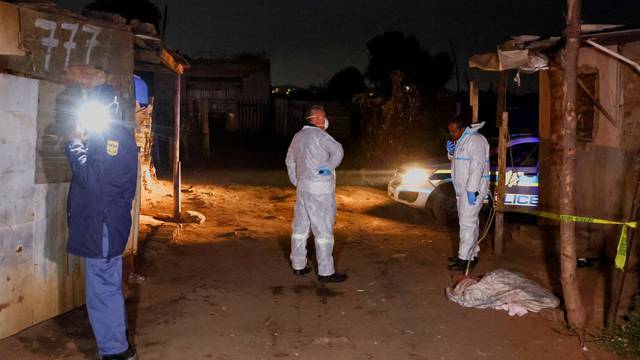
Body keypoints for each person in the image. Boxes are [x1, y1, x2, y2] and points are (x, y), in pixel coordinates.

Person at [66, 84, 139, 360]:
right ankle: (118, 348)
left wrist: (74, 143)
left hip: (103, 227)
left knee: (103, 291)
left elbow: (91, 179)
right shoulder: (113, 136)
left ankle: (115, 352)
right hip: (105, 225)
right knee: (105, 288)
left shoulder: (111, 138)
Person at [285, 105, 347, 283]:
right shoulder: (321, 136)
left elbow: (289, 161)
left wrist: (297, 181)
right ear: (317, 118)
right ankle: (326, 272)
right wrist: (326, 168)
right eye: (323, 116)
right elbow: (338, 151)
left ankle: (298, 265)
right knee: (323, 230)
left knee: (300, 228)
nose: (325, 119)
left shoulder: (298, 137)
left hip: (303, 188)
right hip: (320, 190)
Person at [446, 117, 490, 271]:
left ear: (463, 128)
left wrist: (472, 189)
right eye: (450, 131)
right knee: (471, 222)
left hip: (472, 188)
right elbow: (459, 163)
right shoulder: (463, 140)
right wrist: (451, 153)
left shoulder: (475, 141)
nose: (452, 134)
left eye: (454, 131)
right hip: (462, 188)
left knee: (466, 223)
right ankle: (472, 254)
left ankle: (464, 259)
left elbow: (477, 166)